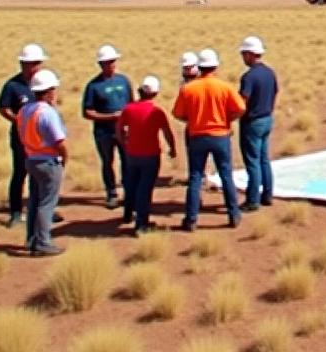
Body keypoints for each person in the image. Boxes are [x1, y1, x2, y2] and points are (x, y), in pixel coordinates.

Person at [171, 48, 246, 231]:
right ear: (215, 66)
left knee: (195, 177)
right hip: (220, 136)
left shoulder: (188, 89)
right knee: (226, 175)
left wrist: (192, 120)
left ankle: (191, 219)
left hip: (197, 136)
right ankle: (233, 214)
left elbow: (177, 113)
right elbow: (241, 108)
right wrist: (227, 120)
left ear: (199, 67)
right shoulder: (224, 87)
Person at [116, 75, 177, 235]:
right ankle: (141, 224)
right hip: (150, 155)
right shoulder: (157, 112)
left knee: (131, 184)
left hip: (132, 154)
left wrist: (124, 143)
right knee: (145, 188)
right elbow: (167, 132)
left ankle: (128, 214)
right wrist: (172, 148)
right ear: (155, 93)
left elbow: (119, 129)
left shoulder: (128, 109)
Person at [19, 69, 69, 256]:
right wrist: (64, 159)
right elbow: (59, 142)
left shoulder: (25, 110)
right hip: (48, 162)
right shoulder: (47, 113)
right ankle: (43, 242)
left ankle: (31, 239)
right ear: (48, 91)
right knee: (47, 203)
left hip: (31, 159)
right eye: (53, 89)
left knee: (34, 201)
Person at [0, 43, 44, 228]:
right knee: (20, 173)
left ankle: (40, 209)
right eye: (31, 63)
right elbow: (3, 108)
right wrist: (19, 120)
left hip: (41, 139)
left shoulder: (42, 84)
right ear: (22, 64)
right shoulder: (13, 86)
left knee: (40, 174)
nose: (35, 67)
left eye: (37, 63)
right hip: (21, 139)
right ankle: (16, 212)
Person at [82, 44, 132, 209]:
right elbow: (87, 112)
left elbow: (132, 104)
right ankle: (111, 193)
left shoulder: (124, 81)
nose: (110, 65)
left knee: (127, 161)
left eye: (112, 61)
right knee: (107, 162)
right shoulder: (93, 86)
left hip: (124, 131)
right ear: (100, 64)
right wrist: (110, 117)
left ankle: (129, 192)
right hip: (104, 133)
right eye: (106, 62)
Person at [237, 35, 279, 211]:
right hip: (267, 118)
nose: (243, 57)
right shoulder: (270, 73)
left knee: (252, 162)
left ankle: (253, 200)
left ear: (250, 54)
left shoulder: (248, 77)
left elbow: (242, 101)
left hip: (252, 122)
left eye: (243, 54)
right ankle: (267, 195)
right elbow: (275, 92)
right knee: (263, 159)